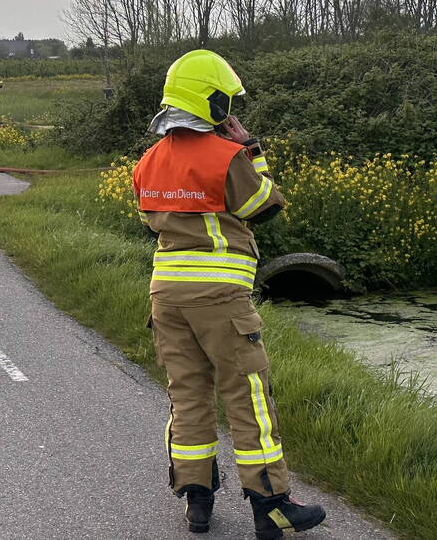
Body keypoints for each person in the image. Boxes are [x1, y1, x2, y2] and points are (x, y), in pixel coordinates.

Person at [132, 50, 325, 538]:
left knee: (188, 396)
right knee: (247, 397)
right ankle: (272, 507)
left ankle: (196, 503)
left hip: (166, 294)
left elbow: (153, 219)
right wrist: (252, 148)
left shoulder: (149, 161)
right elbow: (264, 207)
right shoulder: (227, 156)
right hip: (219, 297)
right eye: (226, 99)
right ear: (210, 100)